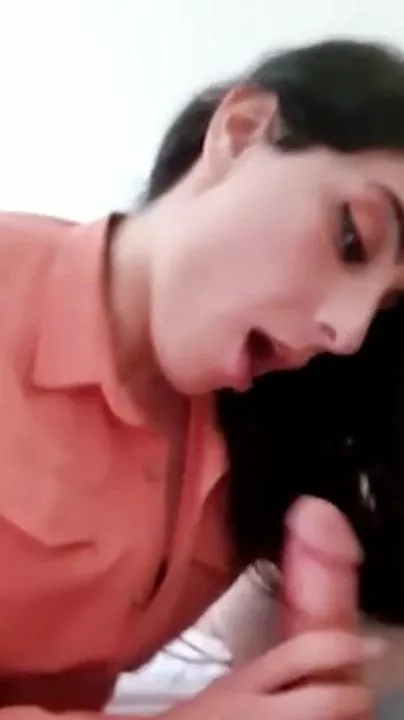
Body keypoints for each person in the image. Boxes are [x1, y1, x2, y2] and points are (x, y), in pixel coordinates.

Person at [1, 37, 404, 720]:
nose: (349, 332)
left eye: (387, 305)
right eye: (351, 240)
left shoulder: (261, 434)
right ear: (242, 131)